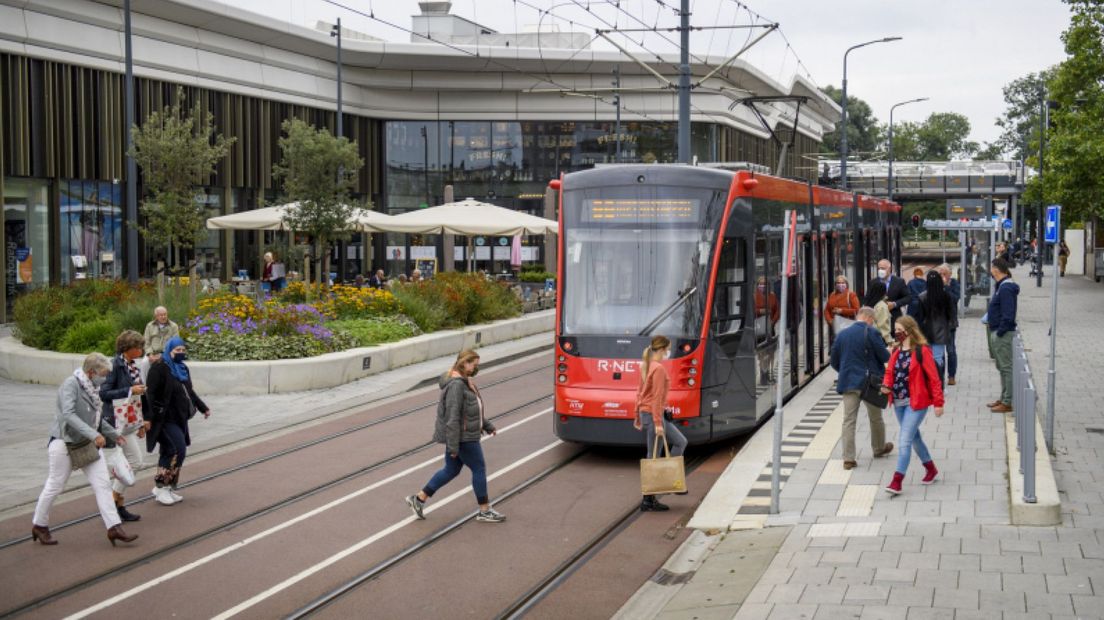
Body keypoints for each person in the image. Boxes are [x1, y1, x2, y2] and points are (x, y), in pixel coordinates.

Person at [30, 353, 139, 546]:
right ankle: (40, 524)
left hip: (87, 443)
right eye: (103, 374)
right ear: (91, 372)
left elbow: (96, 419)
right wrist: (94, 435)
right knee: (55, 485)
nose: (104, 378)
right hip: (65, 442)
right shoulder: (71, 384)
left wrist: (114, 434)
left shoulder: (92, 387)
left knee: (103, 484)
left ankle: (114, 528)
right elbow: (68, 414)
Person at [407, 350, 504, 523]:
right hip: (463, 437)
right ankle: (484, 510)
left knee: (451, 470)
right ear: (465, 363)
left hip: (463, 435)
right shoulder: (456, 385)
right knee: (479, 469)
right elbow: (452, 417)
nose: (476, 368)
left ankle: (419, 498)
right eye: (474, 364)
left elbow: (472, 410)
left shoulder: (465, 381)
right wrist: (453, 446)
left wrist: (487, 425)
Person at [880, 316, 945, 495]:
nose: (897, 332)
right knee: (914, 437)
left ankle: (897, 481)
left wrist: (938, 403)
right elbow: (889, 372)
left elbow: (934, 379)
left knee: (904, 440)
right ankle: (931, 469)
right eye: (895, 329)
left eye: (899, 329)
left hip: (916, 403)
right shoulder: (896, 350)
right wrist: (886, 385)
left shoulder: (922, 351)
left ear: (909, 330)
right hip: (899, 403)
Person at [146, 336, 211, 505]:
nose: (181, 353)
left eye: (183, 350)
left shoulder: (182, 368)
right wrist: (149, 417)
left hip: (180, 417)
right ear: (169, 351)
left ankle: (168, 487)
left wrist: (203, 407)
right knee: (174, 449)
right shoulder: (159, 368)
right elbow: (150, 394)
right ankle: (161, 487)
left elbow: (190, 391)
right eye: (177, 350)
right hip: (164, 418)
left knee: (179, 451)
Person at [829, 307, 894, 470]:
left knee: (849, 420)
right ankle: (878, 448)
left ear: (858, 316)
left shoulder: (842, 334)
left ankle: (848, 458)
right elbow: (885, 357)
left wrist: (846, 371)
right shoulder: (872, 333)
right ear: (869, 318)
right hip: (869, 384)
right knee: (876, 417)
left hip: (849, 382)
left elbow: (834, 361)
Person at [99, 330, 150, 522]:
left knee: (136, 461)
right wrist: (130, 389)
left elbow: (137, 398)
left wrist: (142, 421)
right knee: (120, 464)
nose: (141, 350)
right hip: (115, 423)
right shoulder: (115, 365)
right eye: (138, 347)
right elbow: (104, 393)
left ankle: (115, 499)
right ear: (128, 349)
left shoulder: (132, 365)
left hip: (129, 420)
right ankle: (116, 503)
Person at [633, 336, 688, 512]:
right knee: (653, 455)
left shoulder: (647, 364)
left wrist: (639, 414)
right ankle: (648, 500)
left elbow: (640, 393)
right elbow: (655, 397)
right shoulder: (658, 369)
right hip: (653, 415)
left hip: (651, 413)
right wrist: (657, 422)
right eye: (668, 349)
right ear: (662, 349)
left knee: (680, 442)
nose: (668, 352)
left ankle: (669, 479)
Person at [986, 258, 1019, 413]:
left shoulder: (1006, 289)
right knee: (1002, 367)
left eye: (991, 267)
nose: (990, 270)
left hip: (1002, 333)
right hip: (997, 331)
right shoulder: (1002, 286)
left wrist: (1000, 331)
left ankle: (1007, 401)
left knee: (1006, 367)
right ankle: (1004, 397)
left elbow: (1008, 314)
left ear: (996, 270)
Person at [914, 270, 957, 384]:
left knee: (926, 359)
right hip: (941, 331)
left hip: (925, 332)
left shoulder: (922, 297)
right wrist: (951, 327)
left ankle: (929, 382)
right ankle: (939, 383)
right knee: (938, 358)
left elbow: (919, 317)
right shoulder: (946, 295)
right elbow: (951, 313)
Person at [936, 264, 961, 385]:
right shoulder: (934, 284)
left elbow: (955, 298)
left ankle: (951, 375)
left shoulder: (954, 284)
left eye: (944, 273)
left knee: (950, 350)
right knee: (939, 351)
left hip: (950, 322)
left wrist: (946, 287)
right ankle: (940, 375)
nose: (942, 276)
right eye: (940, 273)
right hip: (937, 323)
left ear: (950, 274)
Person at [869, 259, 911, 328]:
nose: (880, 270)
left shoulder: (899, 282)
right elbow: (868, 299)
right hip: (877, 320)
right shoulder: (873, 282)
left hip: (894, 319)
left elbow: (908, 297)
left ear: (889, 269)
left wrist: (894, 304)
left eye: (882, 268)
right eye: (878, 268)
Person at [754, 276, 780, 384]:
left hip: (770, 328)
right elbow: (752, 310)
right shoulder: (754, 296)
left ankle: (770, 373)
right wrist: (760, 311)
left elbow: (777, 311)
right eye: (761, 284)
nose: (763, 286)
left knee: (771, 352)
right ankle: (763, 375)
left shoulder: (772, 296)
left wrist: (772, 322)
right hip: (760, 329)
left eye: (765, 284)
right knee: (762, 352)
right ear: (757, 285)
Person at [862, 280, 893, 347]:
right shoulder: (881, 306)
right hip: (879, 340)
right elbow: (883, 326)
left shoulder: (865, 305)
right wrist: (890, 341)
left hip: (865, 337)